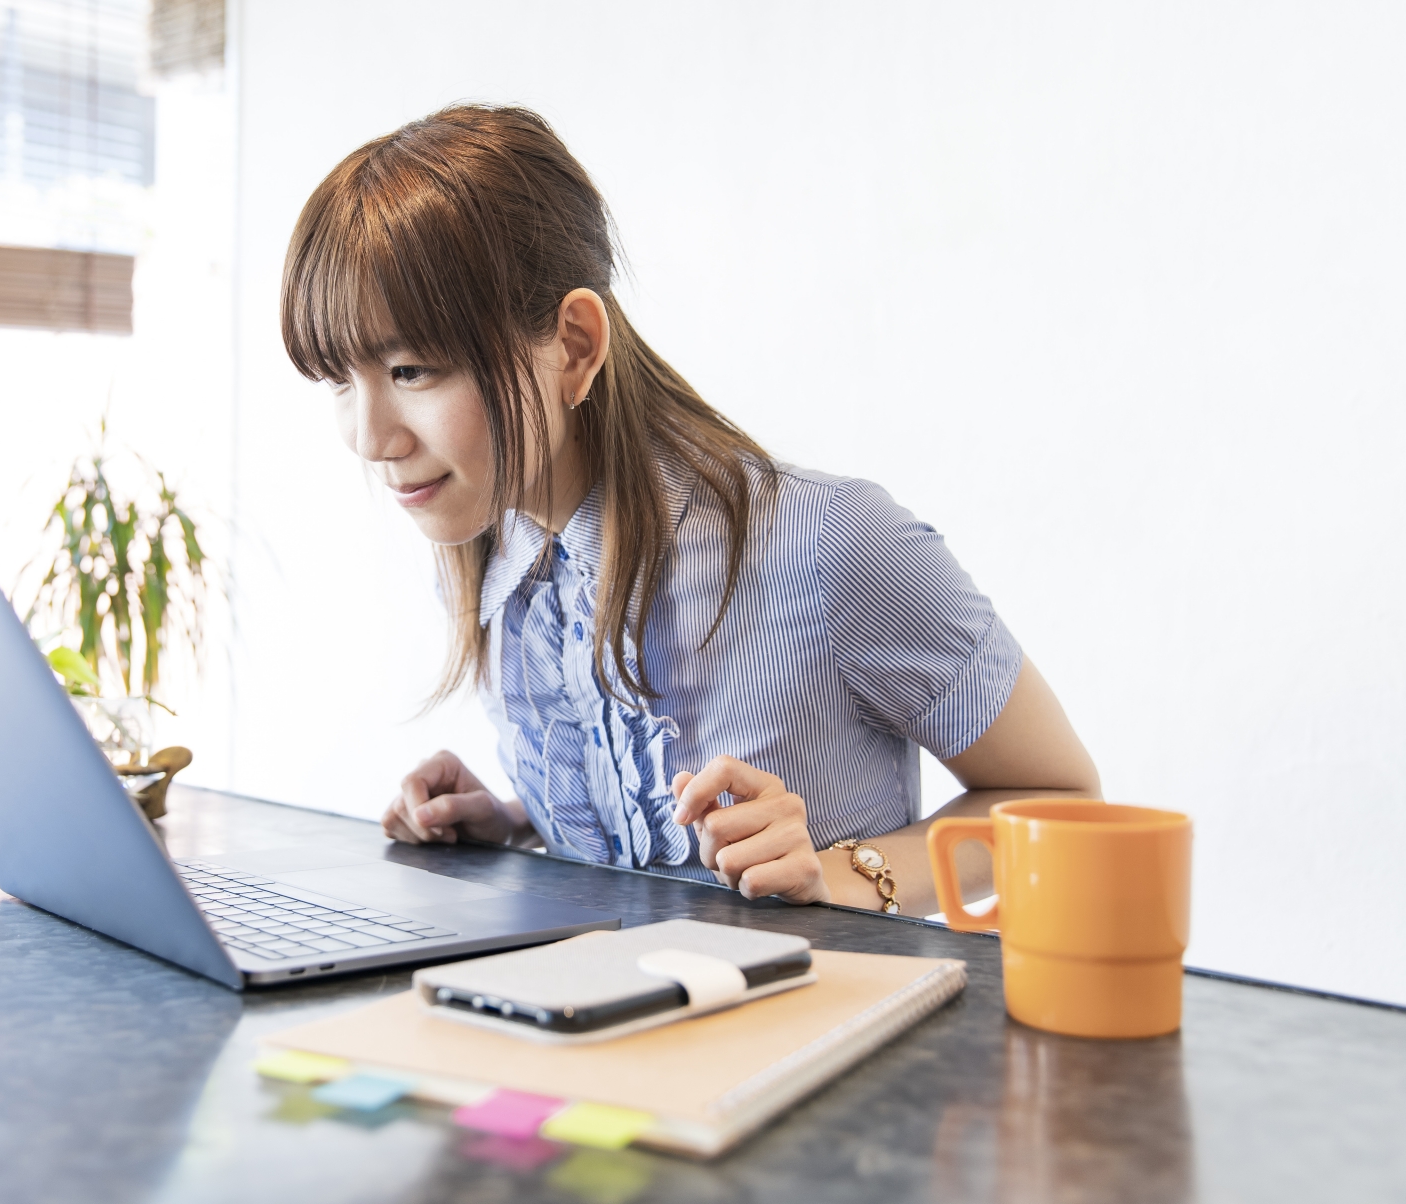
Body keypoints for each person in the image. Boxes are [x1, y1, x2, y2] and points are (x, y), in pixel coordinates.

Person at [278, 104, 1100, 915]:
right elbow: (649, 853)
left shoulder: (831, 541)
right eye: (338, 381)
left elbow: (1060, 802)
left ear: (573, 346)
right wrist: (514, 824)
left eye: (413, 370)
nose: (369, 437)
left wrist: (833, 876)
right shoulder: (493, 562)